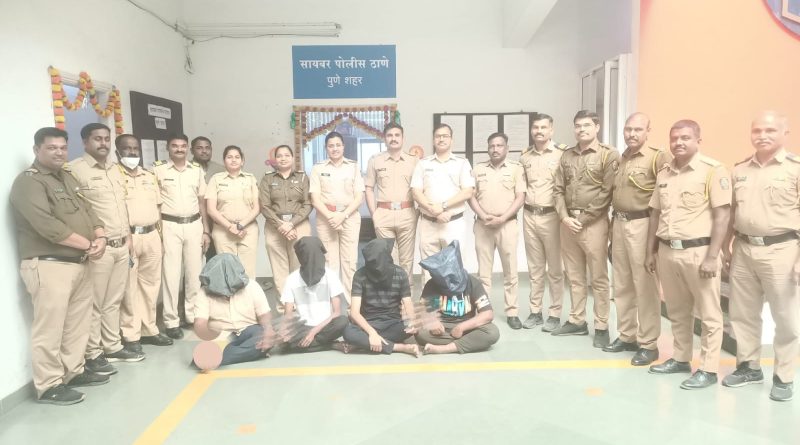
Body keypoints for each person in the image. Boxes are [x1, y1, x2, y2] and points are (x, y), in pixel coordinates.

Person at [11, 127, 108, 405]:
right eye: (51, 148)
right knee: (50, 328)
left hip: (79, 263)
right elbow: (47, 225)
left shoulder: (67, 177)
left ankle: (73, 371)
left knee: (77, 324)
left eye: (63, 148)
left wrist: (100, 236)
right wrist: (88, 244)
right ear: (36, 150)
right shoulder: (29, 182)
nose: (59, 153)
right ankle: (49, 385)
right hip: (49, 265)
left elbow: (89, 211)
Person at [645, 119, 730, 390]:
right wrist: (651, 251)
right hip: (668, 251)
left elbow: (722, 217)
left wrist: (712, 256)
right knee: (677, 310)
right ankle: (681, 358)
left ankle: (708, 368)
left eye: (685, 138)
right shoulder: (665, 173)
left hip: (699, 252)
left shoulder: (712, 171)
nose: (678, 142)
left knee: (709, 314)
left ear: (697, 141)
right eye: (674, 138)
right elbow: (655, 214)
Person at [722, 111, 798, 401]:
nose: (762, 136)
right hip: (743, 250)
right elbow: (732, 212)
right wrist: (725, 246)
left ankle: (784, 376)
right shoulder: (740, 169)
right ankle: (749, 367)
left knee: (786, 318)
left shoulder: (794, 169)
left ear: (784, 133)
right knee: (742, 313)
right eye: (757, 131)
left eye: (770, 130)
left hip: (783, 250)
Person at [69, 123, 143, 376]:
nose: (103, 143)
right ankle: (93, 353)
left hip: (121, 244)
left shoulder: (114, 169)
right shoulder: (75, 170)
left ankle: (112, 346)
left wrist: (128, 238)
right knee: (95, 303)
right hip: (99, 248)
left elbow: (121, 207)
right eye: (97, 139)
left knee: (113, 301)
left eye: (106, 139)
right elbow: (77, 211)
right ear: (85, 142)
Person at [551, 110, 620, 349]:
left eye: (587, 125)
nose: (582, 129)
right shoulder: (567, 155)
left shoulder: (608, 155)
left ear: (597, 127)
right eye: (578, 126)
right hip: (568, 222)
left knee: (598, 278)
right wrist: (564, 217)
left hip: (593, 223)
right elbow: (558, 189)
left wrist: (583, 218)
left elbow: (607, 192)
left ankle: (601, 326)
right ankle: (577, 320)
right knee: (574, 276)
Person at [606, 113, 671, 366]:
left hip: (643, 224)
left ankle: (648, 344)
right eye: (628, 129)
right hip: (619, 223)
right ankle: (627, 335)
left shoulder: (657, 158)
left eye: (637, 129)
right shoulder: (622, 158)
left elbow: (664, 199)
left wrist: (654, 244)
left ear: (647, 131)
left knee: (644, 286)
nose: (631, 134)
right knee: (622, 284)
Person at [115, 134, 173, 352]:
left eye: (135, 148)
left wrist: (161, 238)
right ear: (118, 152)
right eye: (127, 148)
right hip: (128, 238)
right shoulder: (114, 176)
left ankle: (149, 329)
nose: (132, 152)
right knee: (129, 288)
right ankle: (131, 335)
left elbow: (158, 208)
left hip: (151, 236)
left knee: (151, 286)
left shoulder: (148, 176)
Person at [153, 134, 210, 339]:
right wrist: (158, 233)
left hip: (194, 224)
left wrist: (206, 230)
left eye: (183, 146)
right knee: (171, 275)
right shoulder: (158, 170)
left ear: (187, 149)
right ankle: (171, 321)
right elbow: (155, 204)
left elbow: (202, 202)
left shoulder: (196, 170)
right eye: (175, 146)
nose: (179, 149)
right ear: (168, 148)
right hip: (169, 225)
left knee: (194, 274)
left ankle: (192, 316)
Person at [468, 132, 525, 329]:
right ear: (488, 148)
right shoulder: (478, 169)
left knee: (511, 272)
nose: (495, 149)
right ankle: (484, 312)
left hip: (507, 224)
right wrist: (483, 216)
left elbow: (520, 197)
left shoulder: (516, 168)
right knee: (483, 274)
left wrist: (503, 217)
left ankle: (512, 312)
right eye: (492, 146)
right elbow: (471, 196)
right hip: (483, 225)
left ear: (506, 148)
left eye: (499, 145)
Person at [519, 113, 567, 332]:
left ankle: (555, 314)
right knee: (535, 268)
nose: (539, 131)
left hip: (552, 216)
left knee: (555, 269)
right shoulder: (525, 156)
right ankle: (535, 312)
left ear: (551, 130)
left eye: (543, 127)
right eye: (535, 127)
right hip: (529, 215)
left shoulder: (561, 154)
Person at [411, 123, 475, 284]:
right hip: (428, 224)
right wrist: (433, 210)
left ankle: (454, 301)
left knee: (455, 268)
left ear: (451, 140)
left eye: (445, 136)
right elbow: (416, 192)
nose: (441, 139)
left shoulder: (462, 163)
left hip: (453, 224)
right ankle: (430, 301)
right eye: (438, 136)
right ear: (433, 140)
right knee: (428, 270)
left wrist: (443, 206)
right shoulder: (423, 164)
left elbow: (468, 191)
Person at [415, 241, 500, 354]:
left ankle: (445, 348)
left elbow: (487, 314)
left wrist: (462, 327)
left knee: (492, 332)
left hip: (467, 326)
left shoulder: (472, 283)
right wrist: (432, 321)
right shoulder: (432, 285)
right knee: (420, 333)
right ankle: (467, 343)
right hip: (442, 328)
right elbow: (422, 312)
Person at [309, 131, 365, 303]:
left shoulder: (353, 167)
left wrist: (342, 216)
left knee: (349, 262)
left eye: (338, 145)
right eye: (331, 146)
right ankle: (332, 304)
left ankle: (351, 305)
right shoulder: (318, 168)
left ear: (343, 146)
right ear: (326, 148)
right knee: (329, 262)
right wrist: (331, 217)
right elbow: (315, 199)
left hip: (350, 217)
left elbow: (359, 197)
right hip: (326, 219)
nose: (335, 148)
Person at [193, 254, 276, 367]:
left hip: (250, 329)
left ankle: (218, 358)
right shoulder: (203, 292)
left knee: (263, 337)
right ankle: (254, 353)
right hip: (222, 335)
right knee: (203, 355)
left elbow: (264, 314)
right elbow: (200, 322)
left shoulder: (252, 286)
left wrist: (268, 330)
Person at [342, 239, 420, 356]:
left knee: (410, 328)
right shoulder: (360, 275)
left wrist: (413, 322)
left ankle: (363, 343)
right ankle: (399, 347)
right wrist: (372, 332)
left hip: (393, 323)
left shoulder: (400, 273)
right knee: (348, 332)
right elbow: (354, 312)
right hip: (368, 324)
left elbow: (408, 303)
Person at [365, 123, 418, 291]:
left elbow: (420, 189)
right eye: (389, 135)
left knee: (407, 260)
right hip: (383, 214)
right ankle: (393, 296)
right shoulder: (375, 160)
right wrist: (374, 214)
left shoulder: (414, 161)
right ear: (384, 138)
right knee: (388, 258)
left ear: (403, 138)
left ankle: (406, 297)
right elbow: (368, 188)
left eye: (397, 135)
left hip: (407, 213)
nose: (393, 138)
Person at [259, 144, 312, 312]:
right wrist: (281, 225)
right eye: (279, 156)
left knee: (299, 266)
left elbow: (308, 204)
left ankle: (300, 304)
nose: (283, 158)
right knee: (279, 269)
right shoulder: (267, 179)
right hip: (275, 226)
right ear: (275, 159)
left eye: (286, 155)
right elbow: (264, 205)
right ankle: (284, 307)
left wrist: (291, 224)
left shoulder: (302, 177)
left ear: (293, 158)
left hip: (299, 225)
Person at [280, 237, 349, 352]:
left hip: (324, 326)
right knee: (283, 342)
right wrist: (285, 332)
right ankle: (330, 345)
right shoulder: (292, 279)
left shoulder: (331, 276)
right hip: (302, 327)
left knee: (343, 321)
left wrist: (313, 332)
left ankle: (307, 345)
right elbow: (288, 315)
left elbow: (336, 312)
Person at [205, 145, 260, 277]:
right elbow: (211, 209)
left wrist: (240, 225)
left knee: (247, 271)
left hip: (247, 230)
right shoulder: (216, 179)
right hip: (223, 231)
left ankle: (247, 292)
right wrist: (230, 227)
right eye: (229, 157)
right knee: (228, 272)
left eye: (237, 157)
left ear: (242, 161)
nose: (233, 160)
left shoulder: (250, 178)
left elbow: (257, 208)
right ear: (224, 160)